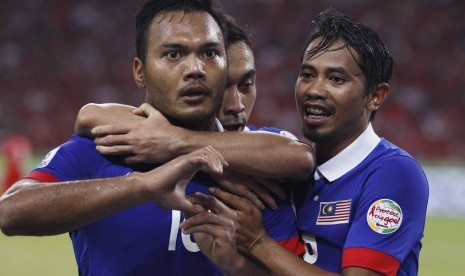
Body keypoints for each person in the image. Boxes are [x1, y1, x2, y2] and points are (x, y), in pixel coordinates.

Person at [0, 1, 314, 275]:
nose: (195, 68)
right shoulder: (104, 148)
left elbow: (299, 157)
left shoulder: (258, 167)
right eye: (174, 54)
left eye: (209, 53)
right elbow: (10, 211)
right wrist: (140, 187)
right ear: (140, 71)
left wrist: (238, 267)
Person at [182, 7, 429, 276]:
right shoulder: (292, 176)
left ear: (375, 96)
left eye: (336, 79)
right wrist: (234, 264)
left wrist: (257, 243)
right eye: (308, 75)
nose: (315, 90)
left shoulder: (392, 172)